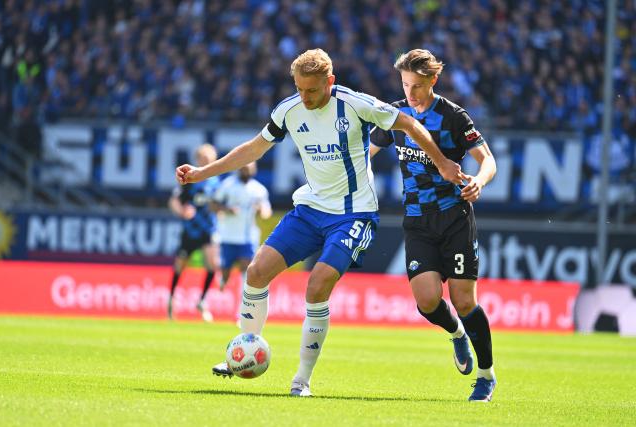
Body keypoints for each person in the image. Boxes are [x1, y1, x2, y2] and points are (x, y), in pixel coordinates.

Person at [176, 48, 465, 397]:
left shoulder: (356, 104)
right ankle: (243, 352)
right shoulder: (288, 109)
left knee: (317, 285)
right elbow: (253, 149)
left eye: (312, 90)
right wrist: (201, 174)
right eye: (299, 89)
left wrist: (443, 163)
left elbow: (409, 123)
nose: (305, 97)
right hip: (311, 209)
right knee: (255, 272)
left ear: (330, 82)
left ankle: (301, 381)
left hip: (354, 213)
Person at [370, 49, 498, 402]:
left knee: (464, 300)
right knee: (427, 301)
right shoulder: (395, 115)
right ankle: (457, 334)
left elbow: (487, 159)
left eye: (417, 85)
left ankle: (486, 376)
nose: (410, 92)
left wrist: (480, 182)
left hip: (454, 217)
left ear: (433, 81)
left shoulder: (453, 116)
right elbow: (368, 153)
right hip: (417, 221)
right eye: (405, 83)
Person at [168, 143, 221, 322]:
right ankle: (171, 298)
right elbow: (174, 201)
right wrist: (182, 211)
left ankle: (202, 301)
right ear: (197, 160)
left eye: (209, 159)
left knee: (213, 264)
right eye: (203, 159)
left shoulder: (217, 181)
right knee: (180, 265)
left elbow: (219, 205)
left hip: (208, 229)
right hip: (191, 230)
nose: (206, 162)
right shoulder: (190, 180)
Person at [210, 162, 272, 295]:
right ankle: (223, 280)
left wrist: (261, 210)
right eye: (243, 169)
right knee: (226, 272)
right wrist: (227, 209)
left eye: (248, 169)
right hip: (228, 236)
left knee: (247, 268)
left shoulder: (259, 190)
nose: (245, 172)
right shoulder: (227, 185)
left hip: (248, 237)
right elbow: (213, 205)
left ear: (254, 170)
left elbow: (267, 211)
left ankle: (243, 301)